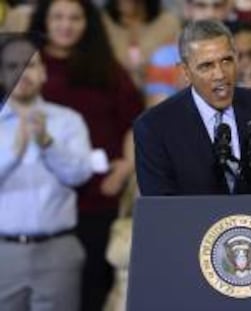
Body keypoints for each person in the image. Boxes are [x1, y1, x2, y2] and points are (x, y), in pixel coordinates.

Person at [28, 1, 144, 310]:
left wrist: (126, 167)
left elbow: (135, 122)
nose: (66, 25)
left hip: (98, 191)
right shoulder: (23, 68)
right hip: (38, 195)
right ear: (44, 21)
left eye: (75, 18)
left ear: (88, 23)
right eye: (58, 17)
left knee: (93, 285)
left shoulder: (107, 68)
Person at [134, 20, 251, 196]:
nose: (220, 74)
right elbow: (161, 209)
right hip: (193, 232)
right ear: (186, 72)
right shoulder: (155, 127)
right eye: (206, 66)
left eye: (227, 61)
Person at [0, 38, 92, 311]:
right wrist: (13, 153)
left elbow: (80, 175)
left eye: (30, 65)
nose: (22, 73)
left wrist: (48, 143)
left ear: (43, 73)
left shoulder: (68, 120)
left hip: (57, 250)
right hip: (4, 251)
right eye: (12, 66)